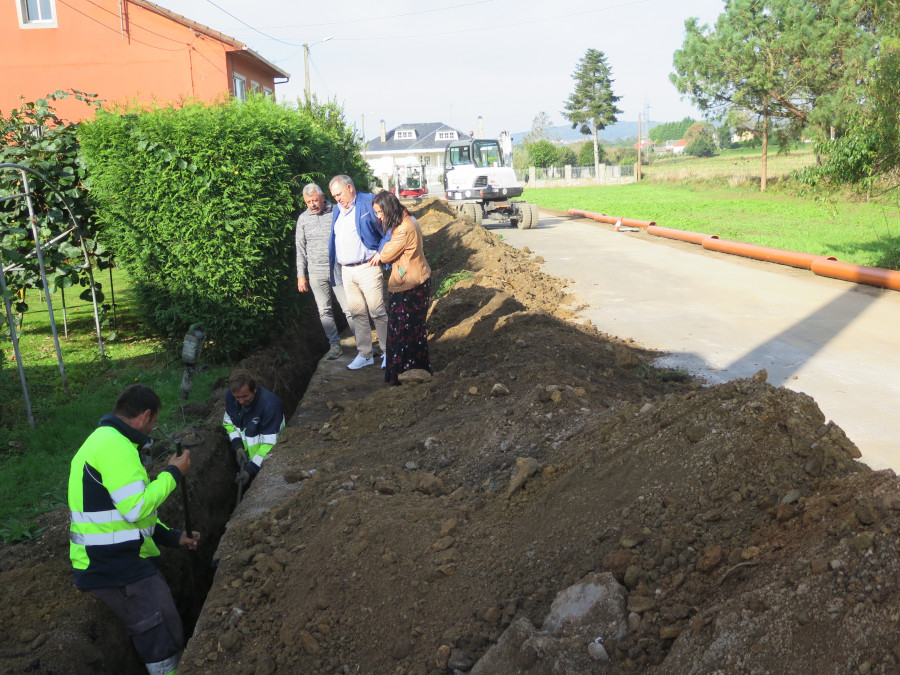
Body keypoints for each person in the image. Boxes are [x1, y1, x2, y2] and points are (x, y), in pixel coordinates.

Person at [68, 384, 200, 675]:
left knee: (162, 617)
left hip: (113, 557)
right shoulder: (115, 447)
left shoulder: (107, 441)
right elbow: (136, 509)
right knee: (159, 628)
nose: (153, 429)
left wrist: (171, 536)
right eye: (154, 422)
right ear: (145, 416)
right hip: (112, 566)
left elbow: (128, 515)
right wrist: (173, 473)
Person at [369, 191, 432, 385]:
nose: (379, 217)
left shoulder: (403, 228)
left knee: (404, 331)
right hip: (415, 280)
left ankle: (405, 374)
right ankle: (415, 370)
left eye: (380, 212)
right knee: (410, 329)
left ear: (389, 209)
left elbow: (386, 254)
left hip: (409, 285)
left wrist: (378, 255)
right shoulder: (408, 218)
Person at [328, 174, 389, 371]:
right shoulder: (338, 210)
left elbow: (388, 227)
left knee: (377, 312)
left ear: (349, 187)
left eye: (339, 194)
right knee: (357, 314)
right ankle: (365, 354)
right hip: (347, 270)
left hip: (367, 267)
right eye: (334, 195)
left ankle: (388, 352)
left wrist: (381, 252)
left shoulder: (368, 202)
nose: (337, 199)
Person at [296, 183, 354, 360]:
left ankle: (364, 344)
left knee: (349, 308)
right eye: (308, 202)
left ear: (322, 197)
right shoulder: (303, 219)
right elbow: (300, 248)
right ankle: (335, 345)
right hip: (315, 272)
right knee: (324, 310)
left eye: (315, 200)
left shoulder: (337, 212)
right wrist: (301, 275)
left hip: (338, 269)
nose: (312, 204)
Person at [223, 369, 285, 489]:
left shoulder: (270, 406)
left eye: (245, 396)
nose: (241, 401)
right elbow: (229, 423)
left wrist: (251, 469)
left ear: (254, 389)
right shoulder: (230, 396)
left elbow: (270, 444)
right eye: (237, 397)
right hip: (249, 458)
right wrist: (238, 446)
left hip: (266, 461)